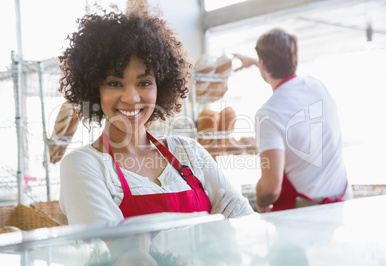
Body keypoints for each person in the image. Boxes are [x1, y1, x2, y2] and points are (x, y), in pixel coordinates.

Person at [57, 6, 254, 226]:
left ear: (161, 87)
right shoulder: (83, 165)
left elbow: (244, 220)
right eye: (115, 83)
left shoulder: (188, 151)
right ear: (95, 90)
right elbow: (115, 250)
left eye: (144, 83)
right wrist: (204, 221)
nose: (131, 98)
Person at [234, 28, 353, 213]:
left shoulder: (268, 113)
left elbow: (271, 189)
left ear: (263, 64)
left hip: (307, 214)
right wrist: (256, 62)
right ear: (294, 59)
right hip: (344, 203)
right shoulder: (318, 86)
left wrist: (260, 200)